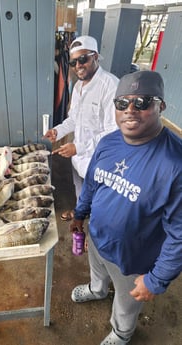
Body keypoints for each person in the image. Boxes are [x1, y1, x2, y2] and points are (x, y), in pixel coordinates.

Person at [69, 70, 182, 344]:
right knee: (97, 270)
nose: (130, 110)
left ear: (160, 106)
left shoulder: (175, 163)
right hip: (97, 237)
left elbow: (180, 235)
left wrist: (156, 280)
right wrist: (80, 213)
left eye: (142, 102)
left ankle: (122, 331)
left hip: (133, 257)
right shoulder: (108, 142)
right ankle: (97, 290)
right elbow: (93, 183)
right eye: (122, 103)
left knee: (126, 300)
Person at [44, 35, 119, 221]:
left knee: (100, 201)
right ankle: (80, 214)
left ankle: (93, 233)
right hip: (78, 159)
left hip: (99, 161)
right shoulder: (78, 86)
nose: (78, 65)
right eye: (73, 62)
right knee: (81, 191)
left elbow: (114, 131)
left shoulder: (110, 85)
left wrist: (79, 147)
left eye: (83, 59)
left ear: (95, 56)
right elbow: (74, 119)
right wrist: (58, 131)